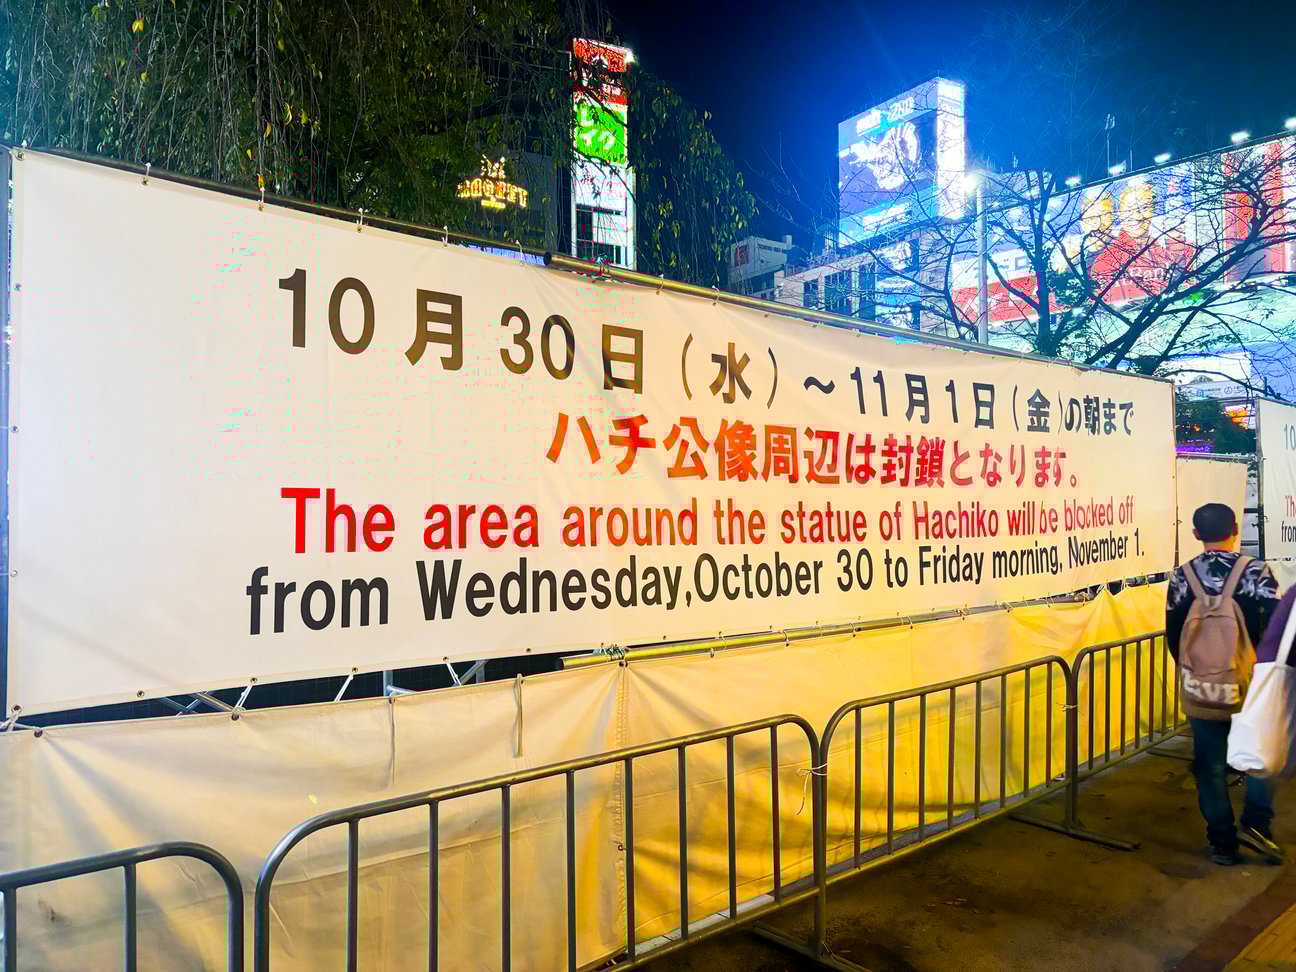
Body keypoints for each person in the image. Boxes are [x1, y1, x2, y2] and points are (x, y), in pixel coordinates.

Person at [1166, 502, 1281, 865]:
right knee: (1261, 757)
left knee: (1210, 765)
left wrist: (1199, 670)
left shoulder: (1182, 576)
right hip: (1252, 684)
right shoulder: (1256, 571)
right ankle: (1256, 826)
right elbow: (1275, 628)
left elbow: (1174, 634)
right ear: (1235, 530)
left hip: (1203, 686)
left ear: (1196, 534)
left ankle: (1222, 843)